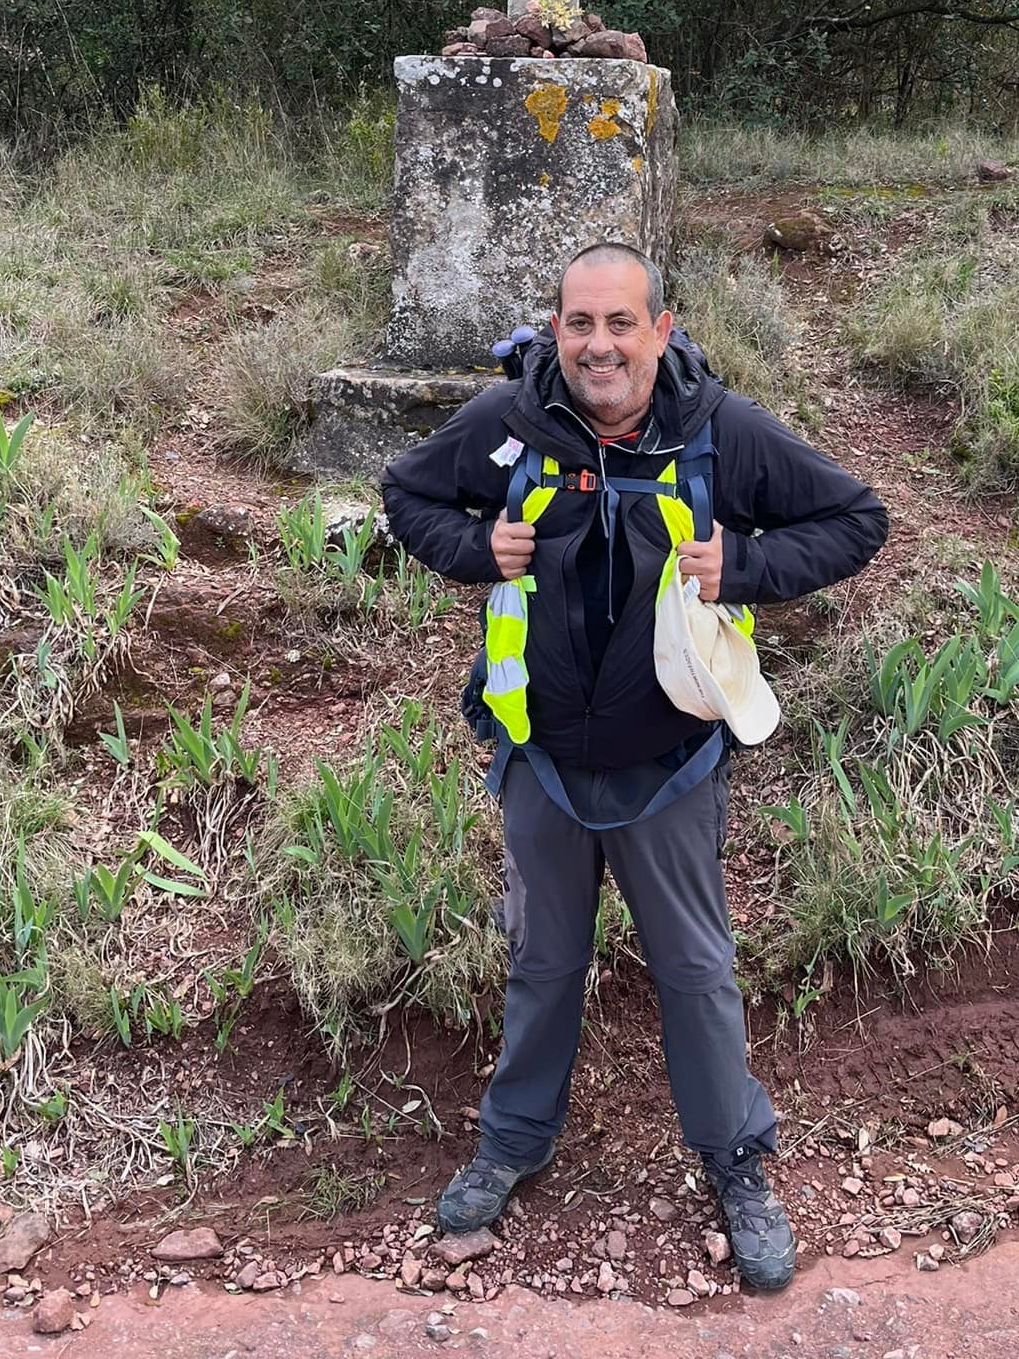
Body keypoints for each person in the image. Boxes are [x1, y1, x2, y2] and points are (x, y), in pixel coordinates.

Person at [381, 242, 887, 1290]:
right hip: (545, 765)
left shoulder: (720, 433)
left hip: (671, 766)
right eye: (579, 323)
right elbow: (406, 493)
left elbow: (855, 518)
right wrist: (483, 549)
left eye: (620, 323)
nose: (598, 344)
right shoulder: (507, 426)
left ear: (661, 328)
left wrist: (742, 563)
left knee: (698, 974)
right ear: (554, 328)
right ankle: (516, 1141)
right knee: (542, 964)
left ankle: (738, 1165)